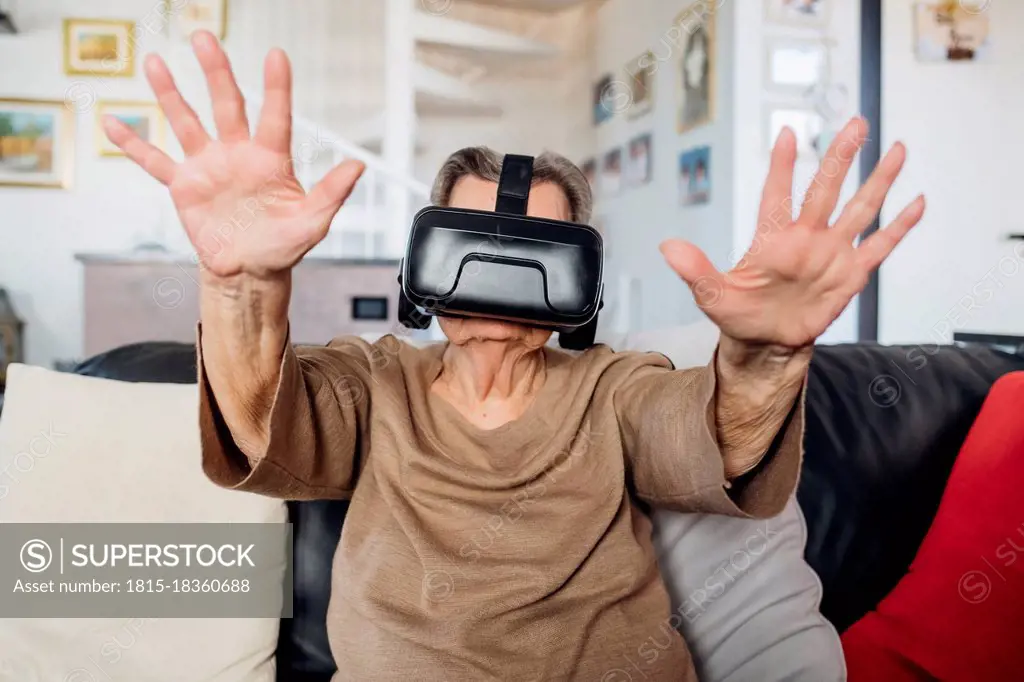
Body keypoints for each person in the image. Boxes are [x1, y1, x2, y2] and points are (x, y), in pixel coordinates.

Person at [103, 31, 925, 682]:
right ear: (421, 269)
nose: (497, 284)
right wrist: (244, 283)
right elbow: (259, 427)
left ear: (580, 283)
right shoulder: (376, 381)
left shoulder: (613, 390)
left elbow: (721, 439)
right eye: (472, 250)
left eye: (535, 258)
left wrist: (769, 353)